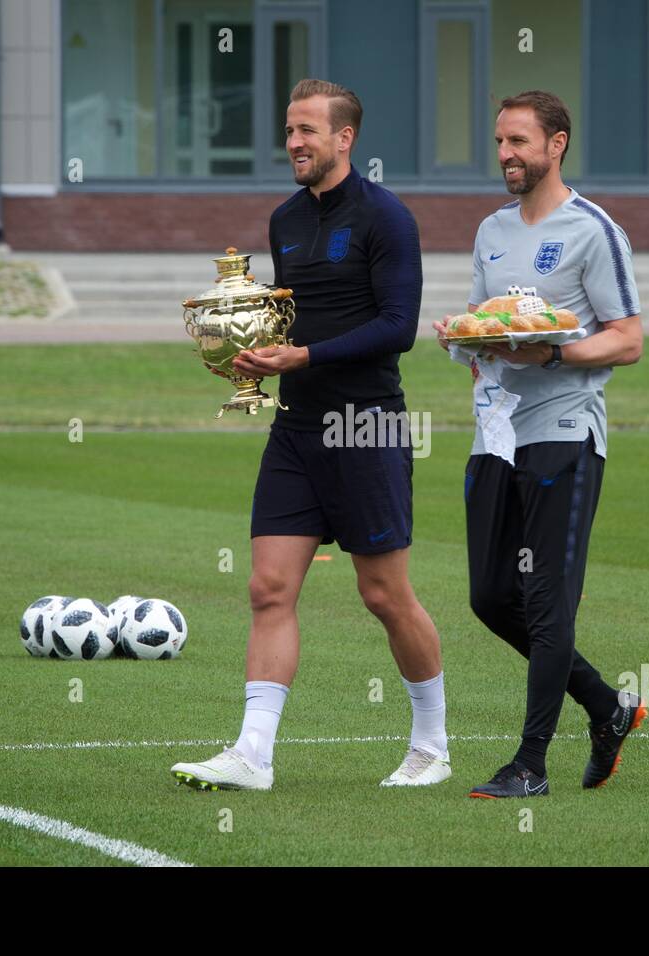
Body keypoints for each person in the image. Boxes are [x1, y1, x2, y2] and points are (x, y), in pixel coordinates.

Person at [171, 79, 450, 791]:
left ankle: (431, 745)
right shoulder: (285, 220)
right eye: (289, 131)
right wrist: (255, 361)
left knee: (385, 596)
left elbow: (399, 328)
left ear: (344, 138)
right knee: (268, 587)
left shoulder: (389, 218)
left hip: (365, 425)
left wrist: (305, 357)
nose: (293, 143)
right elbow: (293, 320)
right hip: (295, 427)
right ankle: (253, 755)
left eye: (306, 131)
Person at [433, 90, 646, 799]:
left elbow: (628, 339)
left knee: (547, 601)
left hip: (565, 435)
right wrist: (464, 337)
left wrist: (553, 357)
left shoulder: (593, 230)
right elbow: (482, 320)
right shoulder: (491, 229)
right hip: (497, 434)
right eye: (499, 142)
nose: (505, 155)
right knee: (492, 598)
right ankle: (607, 706)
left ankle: (530, 765)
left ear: (556, 145)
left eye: (518, 142)